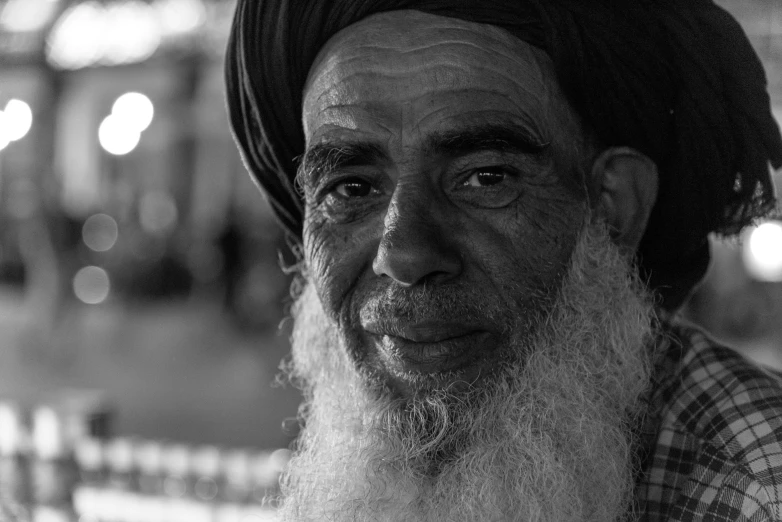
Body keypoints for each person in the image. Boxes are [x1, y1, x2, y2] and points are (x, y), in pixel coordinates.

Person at [225, 1, 782, 520]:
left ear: (613, 207)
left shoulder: (759, 492)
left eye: (485, 178)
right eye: (350, 189)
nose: (405, 256)